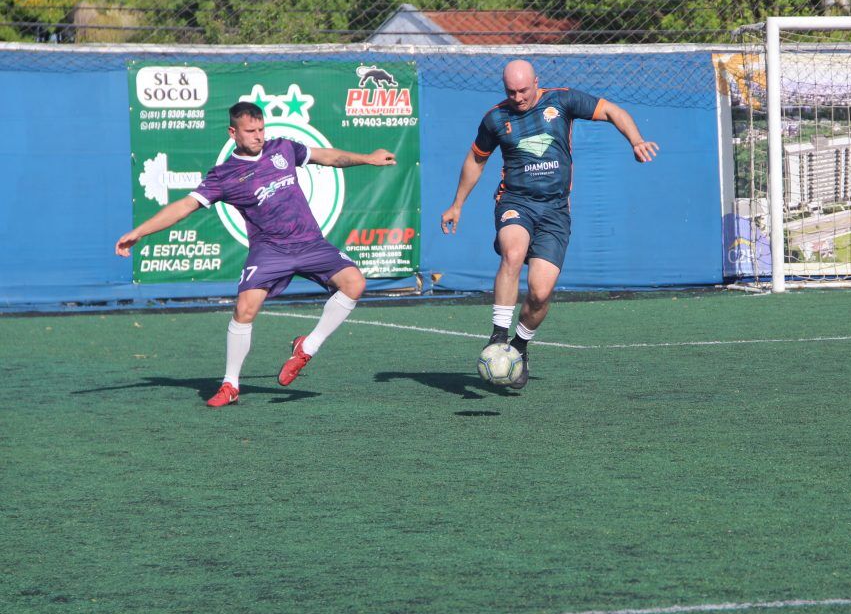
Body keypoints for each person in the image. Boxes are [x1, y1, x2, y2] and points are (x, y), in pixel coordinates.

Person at [115, 101, 396, 406]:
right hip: (270, 251)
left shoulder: (283, 149)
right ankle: (231, 384)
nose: (258, 136)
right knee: (244, 310)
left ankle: (308, 347)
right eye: (250, 131)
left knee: (355, 283)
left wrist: (368, 158)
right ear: (232, 133)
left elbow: (327, 156)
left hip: (309, 242)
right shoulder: (225, 175)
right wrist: (140, 231)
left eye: (261, 129)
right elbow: (185, 206)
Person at [440, 60, 658, 389]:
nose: (517, 97)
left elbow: (613, 111)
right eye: (510, 91)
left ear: (536, 83)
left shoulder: (562, 101)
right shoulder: (496, 118)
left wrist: (636, 139)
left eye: (523, 90)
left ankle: (520, 348)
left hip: (555, 210)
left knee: (540, 293)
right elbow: (476, 159)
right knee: (513, 252)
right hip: (515, 202)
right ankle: (498, 335)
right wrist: (457, 204)